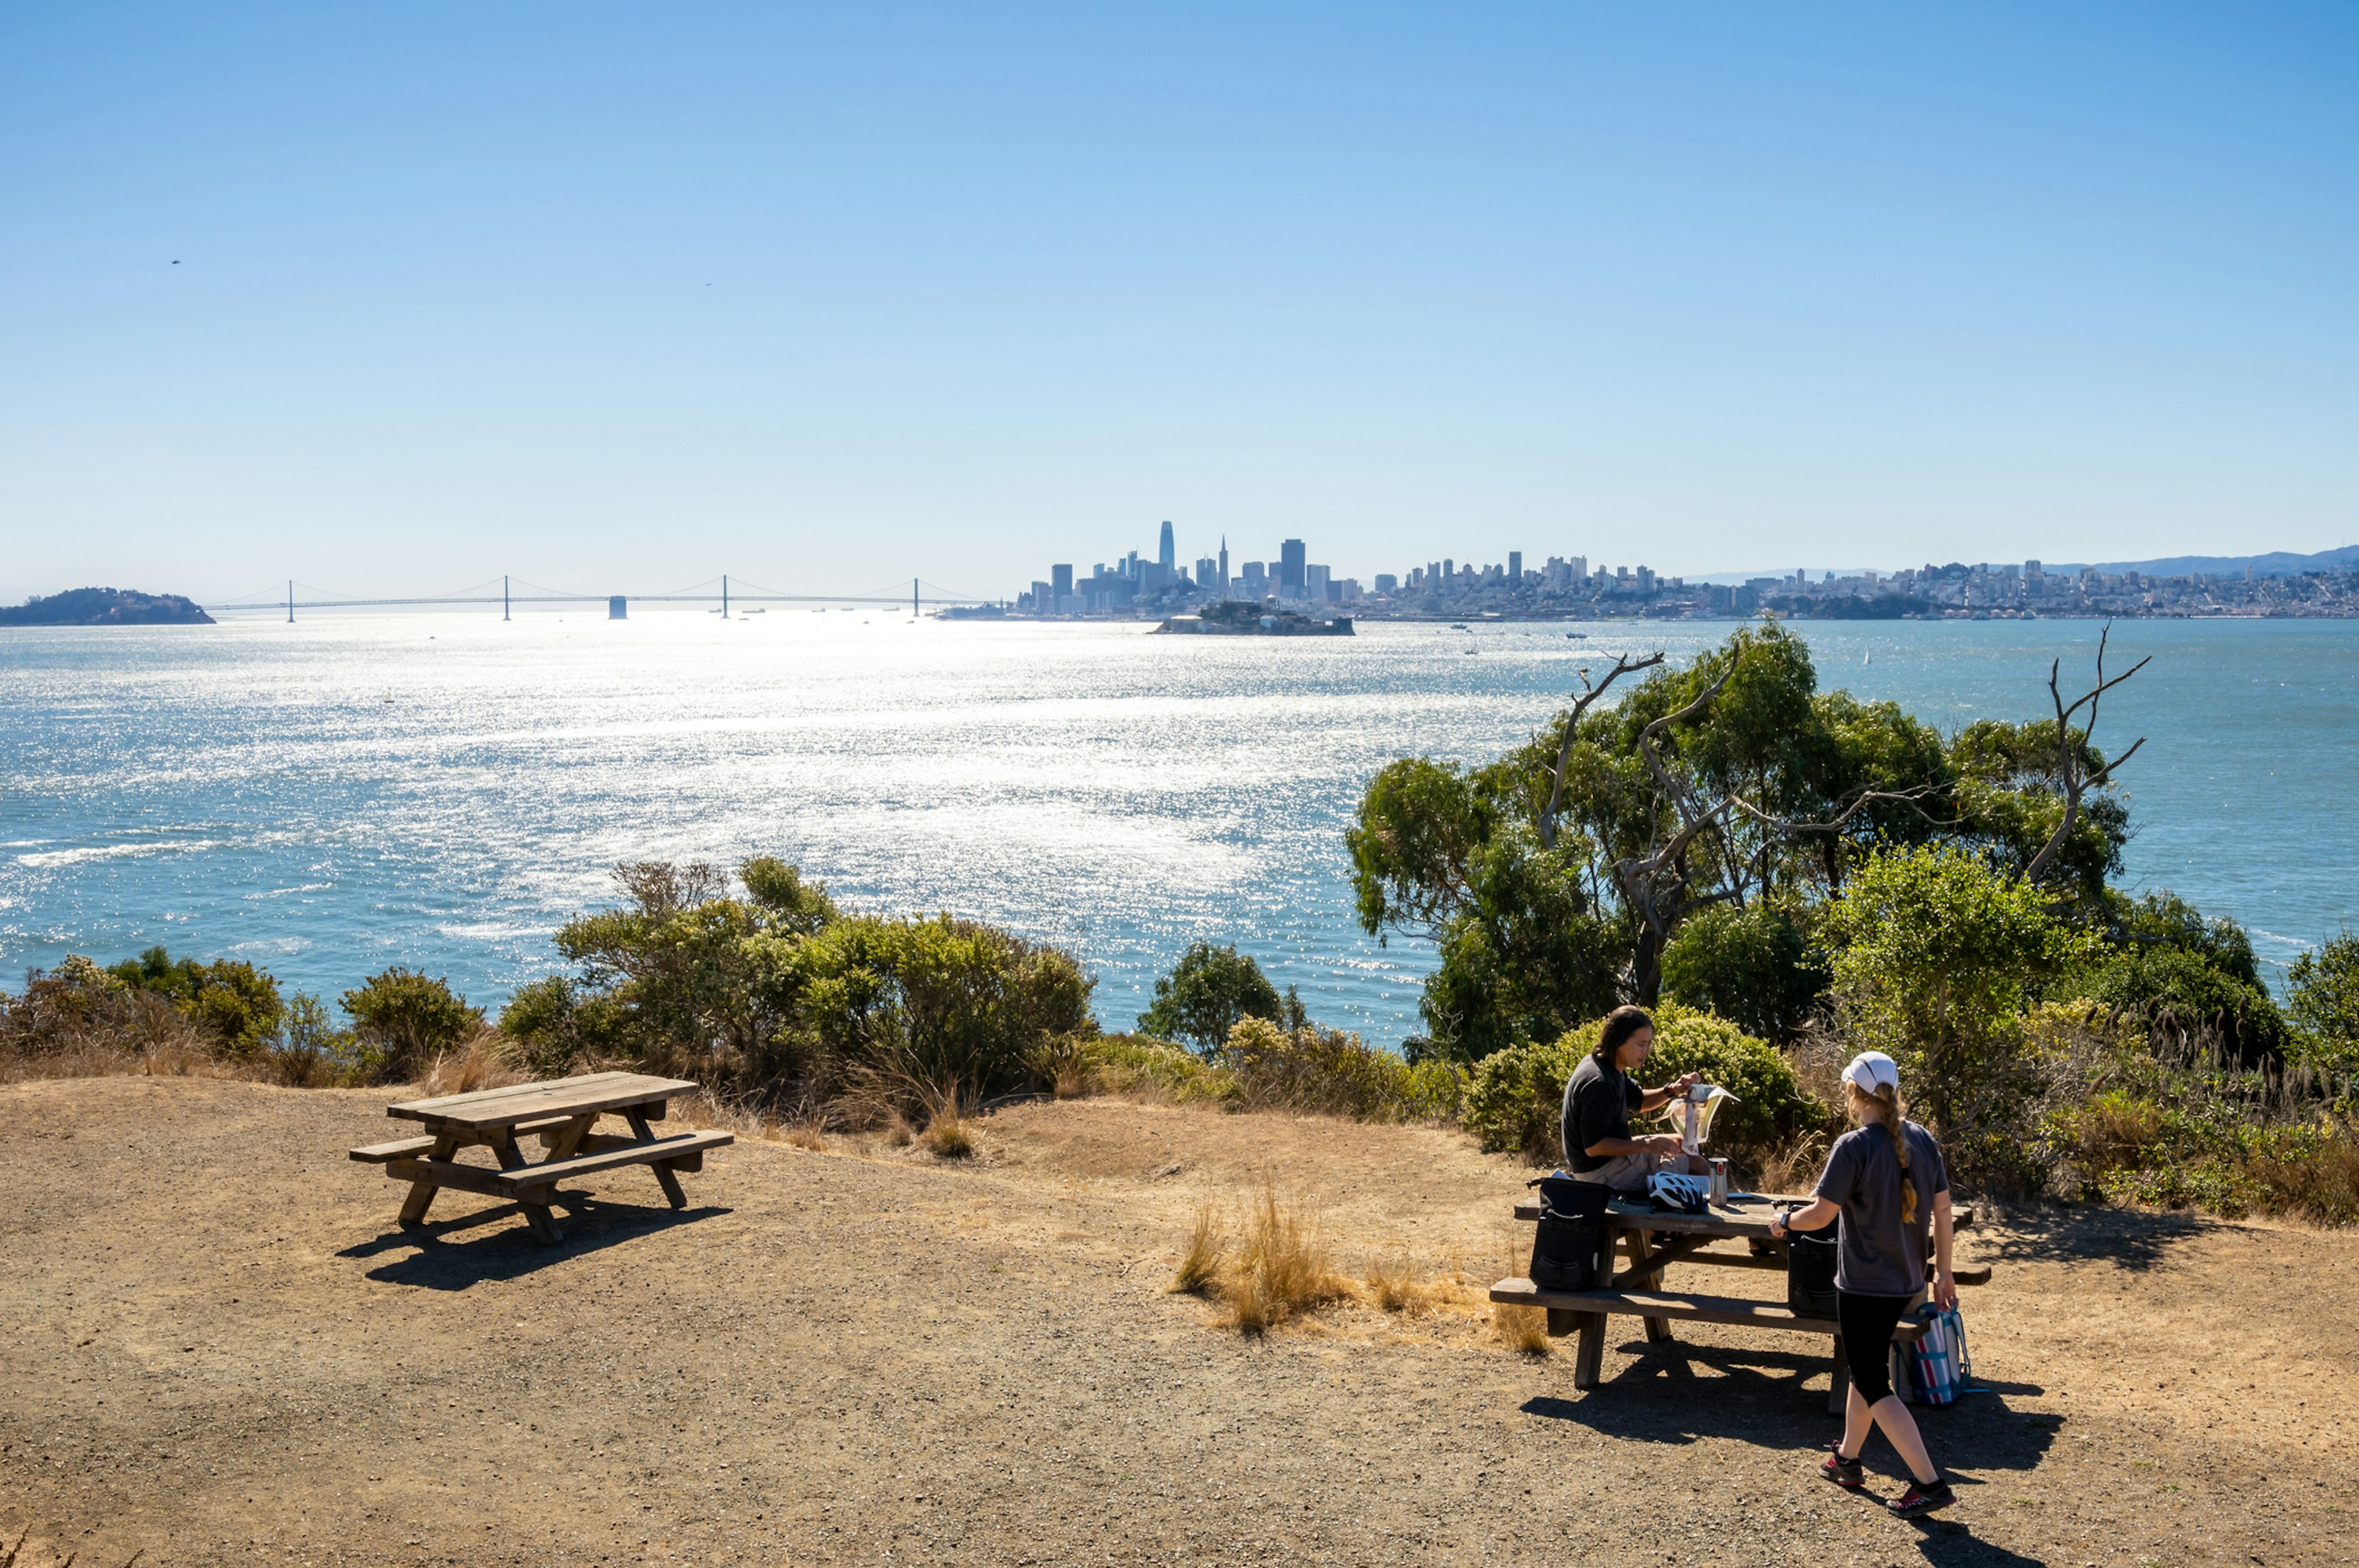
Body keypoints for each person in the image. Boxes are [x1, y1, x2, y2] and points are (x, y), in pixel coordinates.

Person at [1769, 1050, 1960, 1518]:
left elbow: (1820, 1215)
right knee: (1866, 1366)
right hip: (1907, 1279)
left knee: (1874, 1380)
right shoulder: (1923, 1140)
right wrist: (1945, 1272)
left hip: (1863, 1285)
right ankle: (1848, 1459)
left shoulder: (1852, 1146)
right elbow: (1942, 1212)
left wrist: (1784, 1222)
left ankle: (1929, 1483)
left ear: (1854, 1092)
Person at [1560, 1005, 1710, 1193]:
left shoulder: (1609, 1066)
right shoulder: (1599, 1082)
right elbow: (1594, 1147)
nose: (1646, 1051)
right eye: (1641, 1045)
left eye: (1649, 1044)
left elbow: (1640, 1102)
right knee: (1699, 1166)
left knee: (1682, 1144)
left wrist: (1672, 1090)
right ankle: (1689, 1221)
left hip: (1609, 1164)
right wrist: (1647, 1145)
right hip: (1602, 1173)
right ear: (1618, 1040)